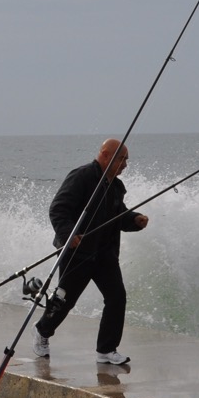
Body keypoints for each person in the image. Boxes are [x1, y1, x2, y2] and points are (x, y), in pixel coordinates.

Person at [32, 138, 147, 365]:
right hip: (78, 254)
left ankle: (106, 350)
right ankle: (42, 331)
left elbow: (117, 216)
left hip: (105, 254)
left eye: (126, 160)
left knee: (116, 297)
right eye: (121, 159)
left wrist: (134, 219)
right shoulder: (82, 176)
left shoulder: (115, 186)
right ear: (105, 155)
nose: (125, 164)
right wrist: (68, 235)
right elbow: (58, 209)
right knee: (64, 301)